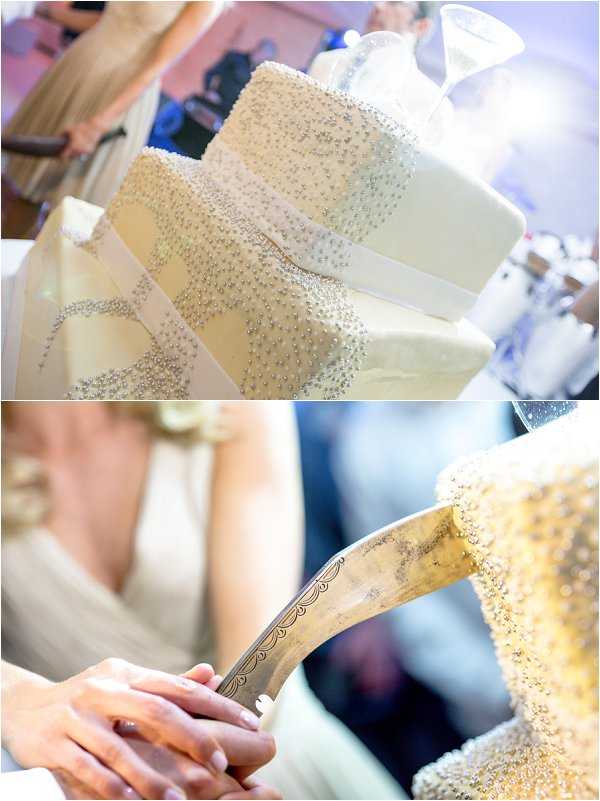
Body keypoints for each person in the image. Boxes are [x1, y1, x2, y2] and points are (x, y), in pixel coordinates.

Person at [1, 402, 403, 800]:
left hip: (271, 760)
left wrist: (181, 764)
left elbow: (261, 662)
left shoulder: (237, 395)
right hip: (106, 782)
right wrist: (19, 701)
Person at [2, 2, 223, 210]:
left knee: (61, 199)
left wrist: (98, 125)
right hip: (75, 67)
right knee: (18, 178)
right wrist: (37, 9)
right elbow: (105, 20)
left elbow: (157, 66)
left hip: (116, 93)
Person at [202, 39, 278, 117]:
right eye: (262, 52)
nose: (261, 57)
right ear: (257, 48)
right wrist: (209, 91)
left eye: (265, 57)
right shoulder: (234, 57)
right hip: (213, 103)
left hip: (230, 116)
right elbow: (210, 73)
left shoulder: (261, 77)